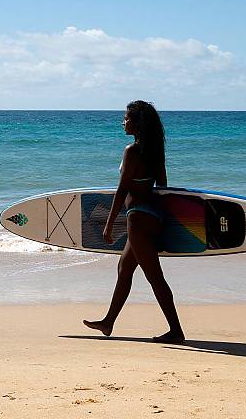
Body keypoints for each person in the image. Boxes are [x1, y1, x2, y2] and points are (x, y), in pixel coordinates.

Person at [83, 100, 185, 344]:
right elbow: (162, 185)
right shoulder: (155, 151)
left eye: (127, 118)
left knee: (154, 277)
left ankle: (176, 331)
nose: (123, 121)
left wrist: (108, 224)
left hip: (137, 218)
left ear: (137, 123)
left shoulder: (132, 151)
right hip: (150, 215)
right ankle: (108, 322)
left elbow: (122, 190)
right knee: (124, 269)